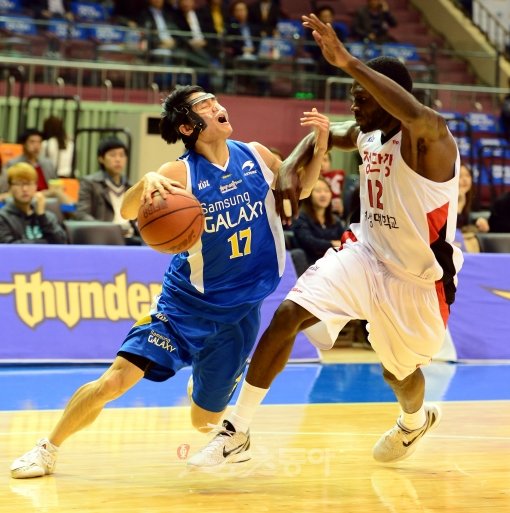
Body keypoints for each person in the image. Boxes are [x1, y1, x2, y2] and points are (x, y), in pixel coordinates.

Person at [10, 84, 329, 478]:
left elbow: (303, 189)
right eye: (205, 105)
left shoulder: (257, 155)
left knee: (203, 422)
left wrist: (321, 144)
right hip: (184, 309)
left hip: (239, 315)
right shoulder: (178, 173)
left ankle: (210, 398)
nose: (217, 106)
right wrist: (147, 183)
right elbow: (127, 210)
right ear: (187, 127)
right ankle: (47, 448)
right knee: (116, 381)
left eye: (215, 100)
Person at [188, 13, 464, 468]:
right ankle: (236, 431)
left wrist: (348, 60)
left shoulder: (430, 138)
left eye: (361, 98)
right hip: (364, 251)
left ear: (384, 97)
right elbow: (329, 135)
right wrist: (291, 164)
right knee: (289, 312)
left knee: (399, 373)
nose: (353, 107)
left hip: (419, 281)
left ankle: (414, 421)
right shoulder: (368, 134)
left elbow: (415, 113)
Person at [74, 137, 143, 245]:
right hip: (104, 239)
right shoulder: (89, 183)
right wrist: (109, 229)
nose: (118, 159)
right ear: (101, 158)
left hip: (131, 238)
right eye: (112, 155)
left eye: (122, 155)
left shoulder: (130, 186)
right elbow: (82, 214)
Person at [0, 162, 68, 244]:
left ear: (36, 186)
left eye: (28, 183)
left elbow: (62, 243)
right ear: (10, 187)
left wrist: (42, 217)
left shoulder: (48, 216)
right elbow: (10, 248)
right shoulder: (3, 218)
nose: (25, 189)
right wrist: (45, 243)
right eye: (19, 184)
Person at [292, 176, 345, 265]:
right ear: (308, 194)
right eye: (318, 191)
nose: (323, 194)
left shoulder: (335, 220)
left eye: (326, 191)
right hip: (310, 266)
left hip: (334, 264)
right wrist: (332, 243)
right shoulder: (300, 217)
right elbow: (308, 242)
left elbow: (346, 239)